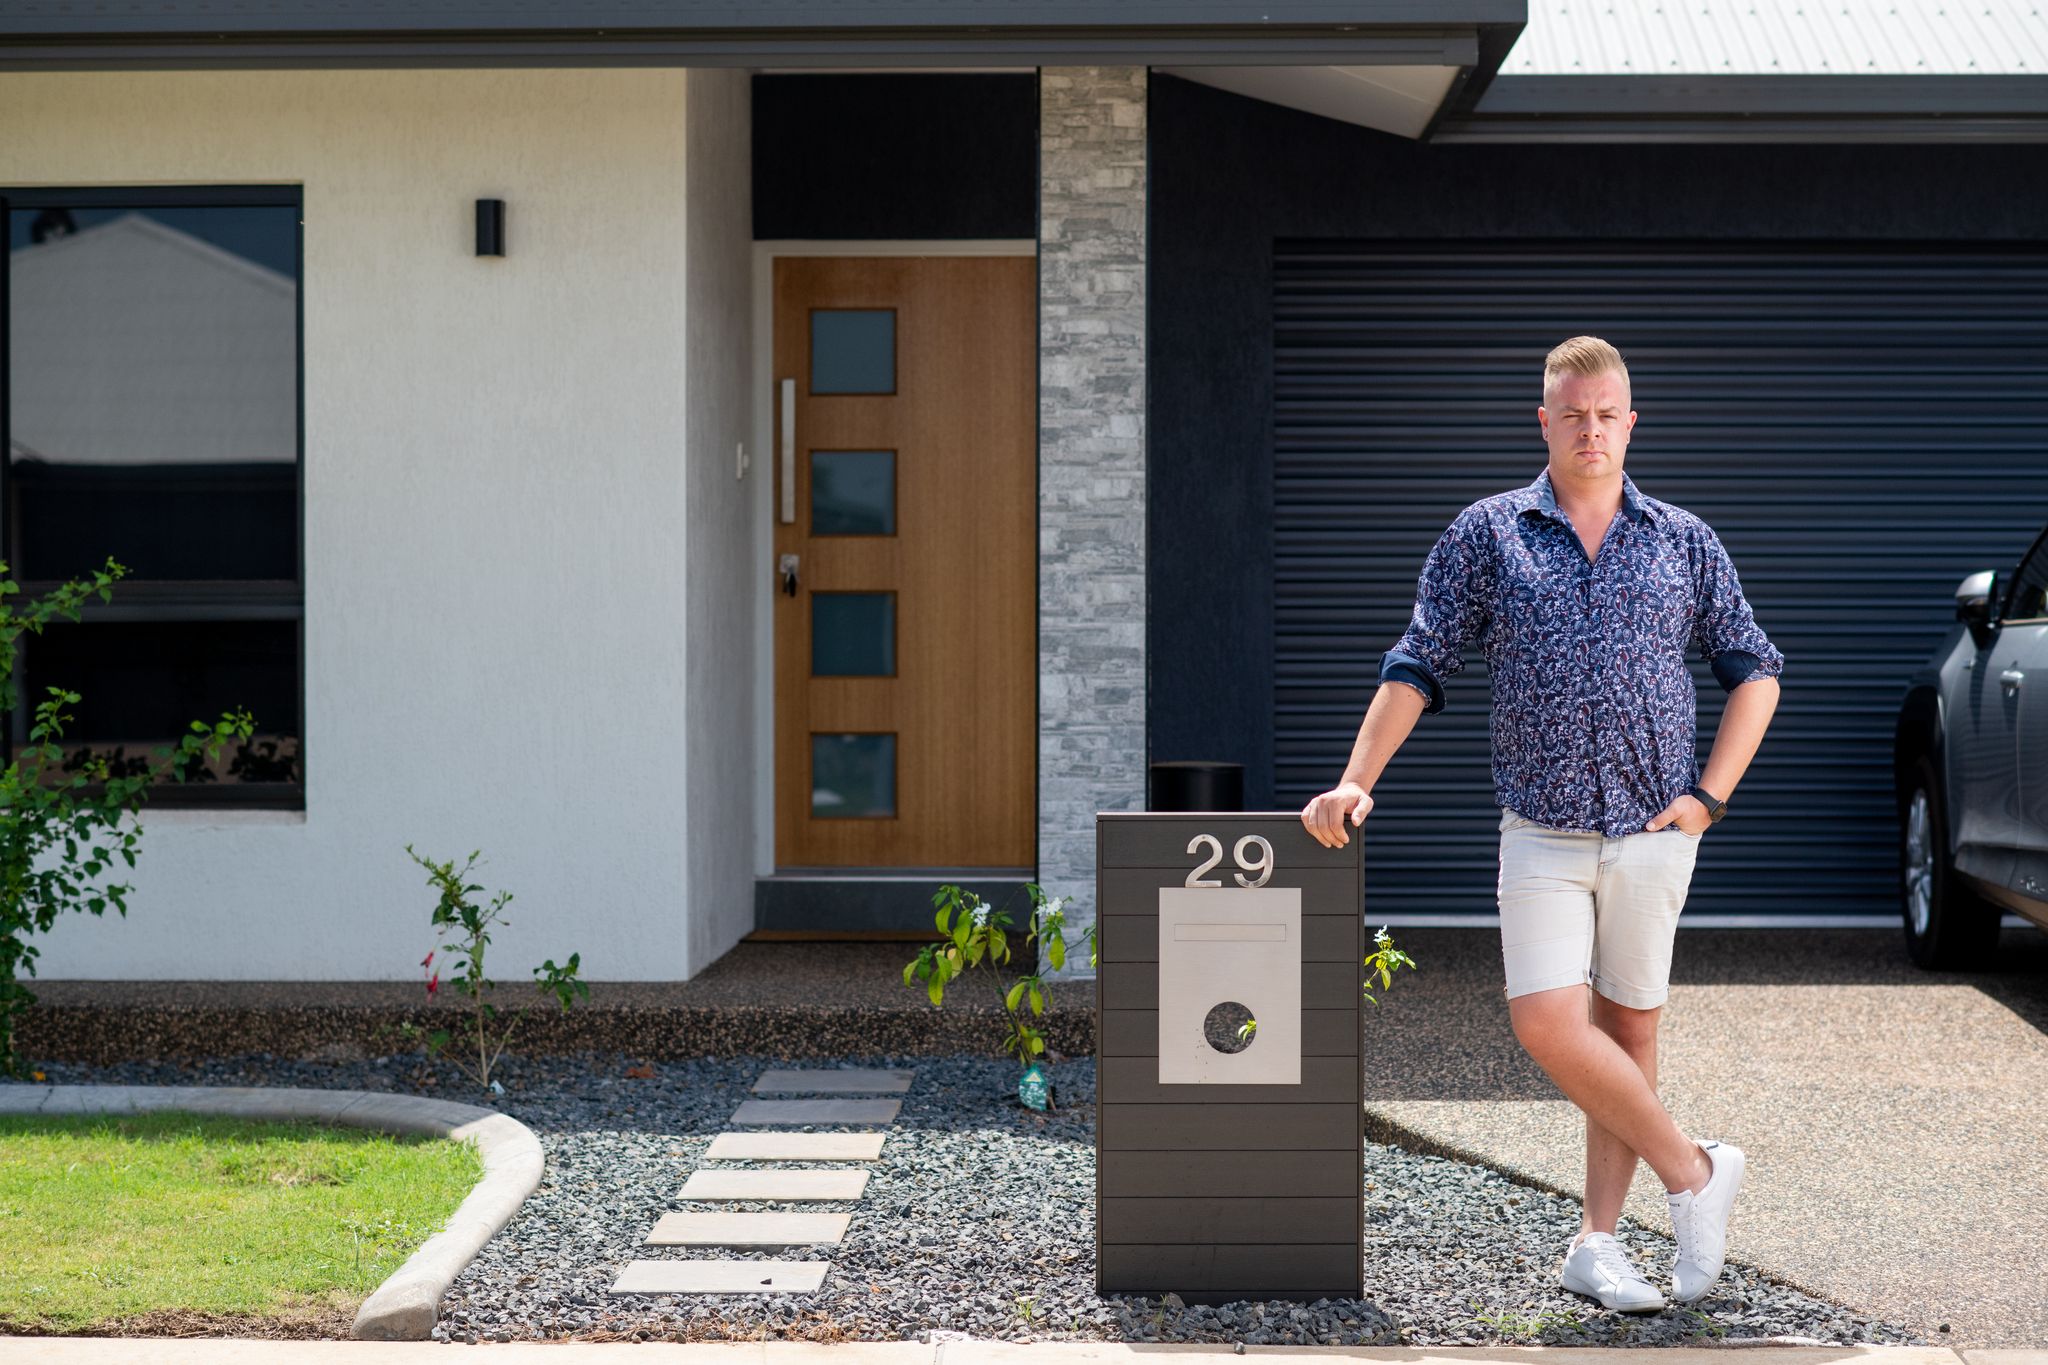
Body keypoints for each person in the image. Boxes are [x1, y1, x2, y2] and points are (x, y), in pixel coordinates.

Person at [1299, 335, 1783, 1313]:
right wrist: (1354, 779)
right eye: (1572, 414)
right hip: (1540, 833)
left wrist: (1707, 798)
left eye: (1606, 415)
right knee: (1547, 1021)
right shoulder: (1490, 535)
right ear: (1544, 421)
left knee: (1628, 1031)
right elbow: (1417, 662)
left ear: (1630, 423)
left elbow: (1755, 669)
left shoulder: (1682, 540)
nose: (1589, 430)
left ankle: (1598, 1246)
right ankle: (1694, 1172)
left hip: (1653, 834)